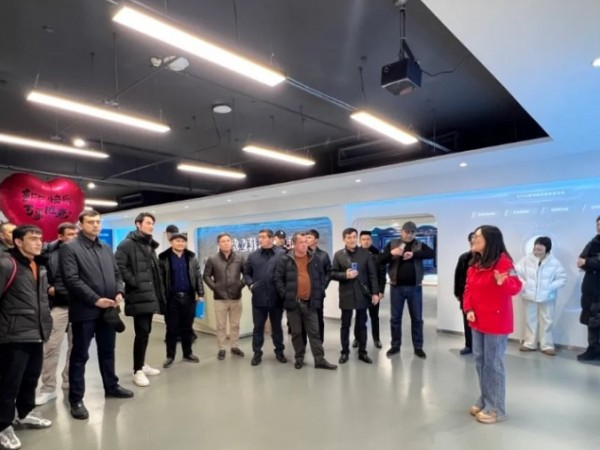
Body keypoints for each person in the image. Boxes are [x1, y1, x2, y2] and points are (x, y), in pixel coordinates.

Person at [60, 210, 133, 421]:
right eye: (91, 222)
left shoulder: (105, 248)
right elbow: (72, 280)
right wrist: (95, 299)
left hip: (109, 310)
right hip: (85, 311)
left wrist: (119, 291)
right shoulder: (70, 248)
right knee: (80, 356)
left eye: (98, 222)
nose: (95, 225)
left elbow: (117, 274)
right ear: (81, 224)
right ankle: (76, 399)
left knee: (108, 351)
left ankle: (111, 386)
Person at [0, 225, 53, 450]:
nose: (39, 242)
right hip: (13, 335)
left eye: (40, 238)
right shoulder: (6, 264)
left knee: (30, 378)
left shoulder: (39, 266)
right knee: (9, 383)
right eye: (33, 238)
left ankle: (24, 414)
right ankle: (3, 426)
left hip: (36, 332)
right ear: (18, 242)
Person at [463, 225, 522, 424]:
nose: (474, 239)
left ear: (490, 240)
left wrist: (502, 282)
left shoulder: (503, 262)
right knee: (480, 361)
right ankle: (485, 399)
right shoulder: (475, 263)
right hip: (477, 320)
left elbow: (516, 287)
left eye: (477, 236)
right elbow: (468, 289)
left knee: (493, 363)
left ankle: (496, 408)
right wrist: (468, 309)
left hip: (496, 321)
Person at [115, 213, 166, 387]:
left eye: (153, 223)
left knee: (146, 332)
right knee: (141, 333)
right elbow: (119, 266)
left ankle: (142, 364)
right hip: (139, 295)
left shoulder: (148, 245)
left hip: (149, 295)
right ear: (138, 224)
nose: (151, 226)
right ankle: (137, 370)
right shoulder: (127, 244)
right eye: (148, 223)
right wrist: (135, 282)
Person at [274, 232, 337, 370]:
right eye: (301, 242)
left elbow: (321, 276)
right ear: (294, 244)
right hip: (293, 303)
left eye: (305, 242)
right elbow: (278, 279)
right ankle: (299, 357)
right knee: (296, 333)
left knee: (314, 332)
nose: (304, 245)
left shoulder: (315, 258)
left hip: (310, 302)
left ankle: (319, 360)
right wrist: (286, 295)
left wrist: (320, 290)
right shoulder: (285, 259)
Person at [36, 222, 78, 406]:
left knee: (76, 347)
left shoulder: (82, 252)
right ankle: (48, 388)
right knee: (51, 347)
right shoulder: (47, 254)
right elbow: (37, 274)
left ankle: (69, 380)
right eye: (70, 234)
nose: (74, 237)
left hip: (79, 306)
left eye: (76, 234)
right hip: (58, 306)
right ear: (61, 236)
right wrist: (48, 288)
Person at [380, 221, 435, 359]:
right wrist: (391, 253)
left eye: (412, 232)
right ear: (402, 232)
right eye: (407, 232)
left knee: (417, 319)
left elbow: (432, 253)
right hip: (396, 288)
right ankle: (395, 346)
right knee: (395, 318)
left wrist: (414, 255)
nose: (410, 235)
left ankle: (418, 347)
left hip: (415, 288)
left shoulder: (419, 245)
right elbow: (380, 260)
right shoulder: (392, 244)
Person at [331, 227, 379, 364]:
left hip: (362, 294)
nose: (352, 240)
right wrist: (345, 275)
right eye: (349, 237)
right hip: (346, 294)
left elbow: (372, 275)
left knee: (362, 325)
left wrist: (375, 293)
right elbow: (332, 273)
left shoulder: (365, 254)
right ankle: (344, 352)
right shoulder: (338, 255)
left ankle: (362, 352)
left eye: (354, 237)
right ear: (344, 239)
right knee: (345, 325)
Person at [158, 232, 204, 368]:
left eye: (183, 241)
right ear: (171, 242)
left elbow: (198, 276)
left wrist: (200, 293)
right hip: (171, 299)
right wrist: (162, 297)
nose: (180, 243)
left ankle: (187, 353)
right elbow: (159, 280)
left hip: (189, 297)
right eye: (177, 241)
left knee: (187, 327)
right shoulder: (163, 258)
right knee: (171, 328)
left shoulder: (191, 257)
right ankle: (170, 356)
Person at [515, 236, 567, 355]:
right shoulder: (526, 260)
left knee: (547, 321)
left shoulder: (554, 262)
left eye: (541, 245)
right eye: (536, 245)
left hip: (547, 297)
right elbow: (517, 274)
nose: (537, 247)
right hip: (529, 295)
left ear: (547, 248)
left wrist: (549, 287)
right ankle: (529, 343)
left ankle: (547, 346)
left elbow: (562, 279)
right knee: (530, 320)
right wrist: (525, 285)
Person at [244, 229, 287, 366]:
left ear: (271, 238)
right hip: (259, 298)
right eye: (259, 237)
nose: (260, 239)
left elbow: (287, 273)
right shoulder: (253, 256)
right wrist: (250, 284)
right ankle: (257, 353)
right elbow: (246, 273)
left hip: (276, 298)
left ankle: (279, 351)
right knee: (258, 328)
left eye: (263, 237)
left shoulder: (282, 254)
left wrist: (284, 290)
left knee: (277, 327)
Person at [203, 233, 246, 360]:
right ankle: (221, 348)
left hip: (236, 297)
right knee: (221, 325)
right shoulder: (212, 259)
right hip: (220, 298)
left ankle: (234, 346)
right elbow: (206, 276)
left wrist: (240, 285)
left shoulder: (239, 257)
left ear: (231, 242)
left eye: (228, 240)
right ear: (218, 244)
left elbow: (247, 273)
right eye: (223, 241)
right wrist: (214, 287)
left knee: (235, 324)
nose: (226, 243)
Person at [353, 231, 386, 349]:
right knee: (359, 316)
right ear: (360, 241)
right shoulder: (356, 254)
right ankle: (357, 338)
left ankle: (376, 339)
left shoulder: (378, 255)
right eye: (363, 239)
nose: (366, 241)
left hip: (374, 291)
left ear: (371, 240)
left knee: (374, 316)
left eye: (368, 239)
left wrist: (380, 290)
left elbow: (382, 275)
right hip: (360, 291)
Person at [576, 216, 600, 361]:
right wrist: (591, 262)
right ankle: (593, 349)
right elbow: (580, 261)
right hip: (591, 289)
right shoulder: (593, 242)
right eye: (598, 224)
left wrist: (588, 262)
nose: (599, 227)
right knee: (592, 320)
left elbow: (586, 262)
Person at [306, 229, 332, 342]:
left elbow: (329, 272)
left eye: (309, 237)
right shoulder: (301, 254)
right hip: (304, 293)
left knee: (318, 318)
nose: (306, 239)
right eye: (305, 237)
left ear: (316, 240)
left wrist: (323, 285)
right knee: (303, 319)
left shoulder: (323, 255)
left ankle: (319, 342)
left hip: (318, 293)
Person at [453, 232, 475, 355]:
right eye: (472, 240)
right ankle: (469, 345)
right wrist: (457, 293)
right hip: (465, 295)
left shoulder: (487, 259)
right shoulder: (464, 258)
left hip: (481, 297)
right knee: (467, 321)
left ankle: (481, 346)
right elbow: (458, 276)